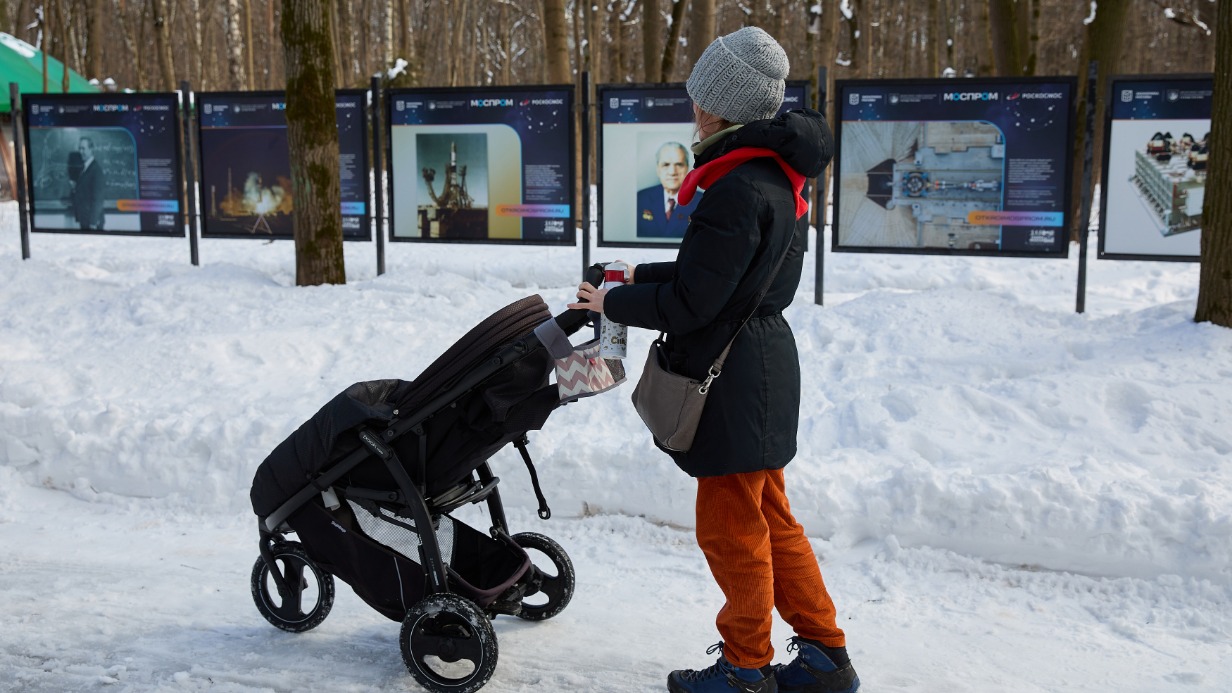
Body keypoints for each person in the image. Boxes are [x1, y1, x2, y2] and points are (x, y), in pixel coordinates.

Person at [569, 26, 859, 693]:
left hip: (731, 380)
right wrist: (636, 272)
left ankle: (745, 668)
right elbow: (719, 274)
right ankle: (823, 653)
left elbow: (694, 302)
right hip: (761, 366)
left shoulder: (734, 190)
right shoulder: (774, 177)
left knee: (734, 534)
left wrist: (612, 306)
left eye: (700, 96)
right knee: (774, 522)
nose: (693, 108)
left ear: (719, 105)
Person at [636, 141, 699, 238]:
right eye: (666, 165)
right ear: (658, 169)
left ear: (687, 168)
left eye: (679, 164)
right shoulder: (640, 199)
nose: (672, 172)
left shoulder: (702, 201)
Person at [72, 137, 105, 231]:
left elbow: (98, 199)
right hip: (85, 219)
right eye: (80, 148)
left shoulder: (96, 170)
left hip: (92, 222)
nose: (81, 151)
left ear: (91, 149)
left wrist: (93, 223)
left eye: (83, 148)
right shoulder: (85, 168)